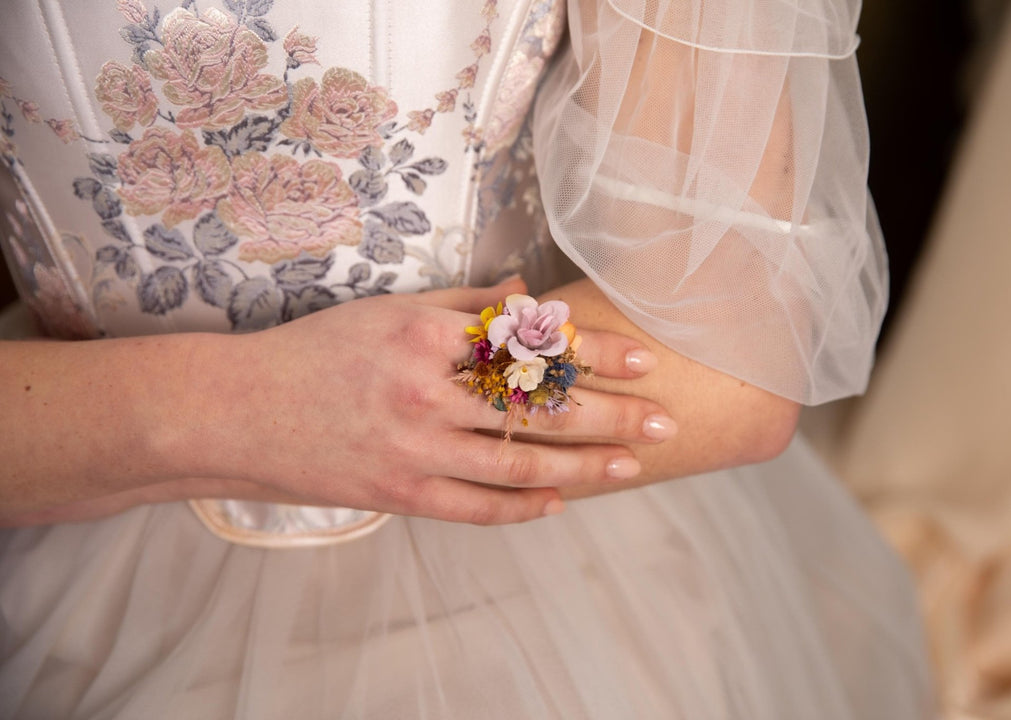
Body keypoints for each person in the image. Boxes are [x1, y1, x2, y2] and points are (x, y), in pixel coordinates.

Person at [0, 0, 935, 717]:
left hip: (529, 594)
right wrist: (232, 409)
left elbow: (731, 359)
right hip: (66, 508)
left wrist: (456, 377)